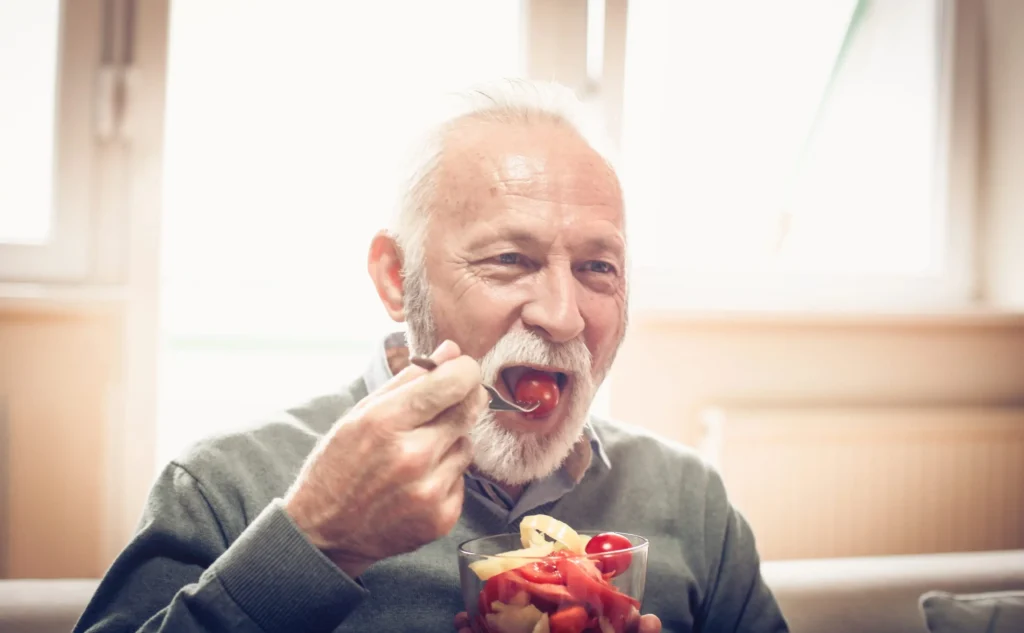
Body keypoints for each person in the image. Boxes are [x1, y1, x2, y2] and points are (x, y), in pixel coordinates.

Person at [75, 79, 789, 633]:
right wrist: (316, 540)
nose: (564, 315)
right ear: (396, 277)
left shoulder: (692, 504)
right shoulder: (221, 486)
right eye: (511, 258)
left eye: (599, 268)